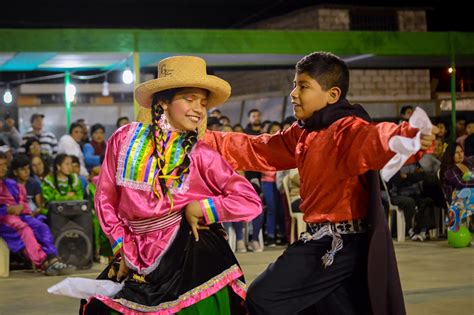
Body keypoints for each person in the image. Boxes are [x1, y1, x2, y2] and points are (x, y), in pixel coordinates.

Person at [204, 51, 438, 314]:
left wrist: (409, 137)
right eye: (294, 84)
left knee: (262, 297)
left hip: (338, 245)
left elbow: (374, 139)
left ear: (333, 95)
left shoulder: (345, 130)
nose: (293, 93)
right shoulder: (303, 133)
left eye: (303, 86)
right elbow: (258, 148)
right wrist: (203, 138)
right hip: (321, 240)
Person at [78, 56, 262, 314]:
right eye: (189, 98)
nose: (198, 108)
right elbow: (105, 199)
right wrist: (122, 248)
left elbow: (249, 201)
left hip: (189, 254)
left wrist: (202, 208)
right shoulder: (124, 139)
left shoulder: (202, 156)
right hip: (133, 250)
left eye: (203, 102)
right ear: (163, 100)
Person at [0, 152, 75, 276]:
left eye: (4, 165)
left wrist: (20, 208)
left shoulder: (12, 184)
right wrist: (7, 210)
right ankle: (44, 262)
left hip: (19, 216)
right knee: (24, 229)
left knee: (41, 226)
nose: (3, 168)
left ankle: (53, 258)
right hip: (4, 219)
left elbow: (24, 205)